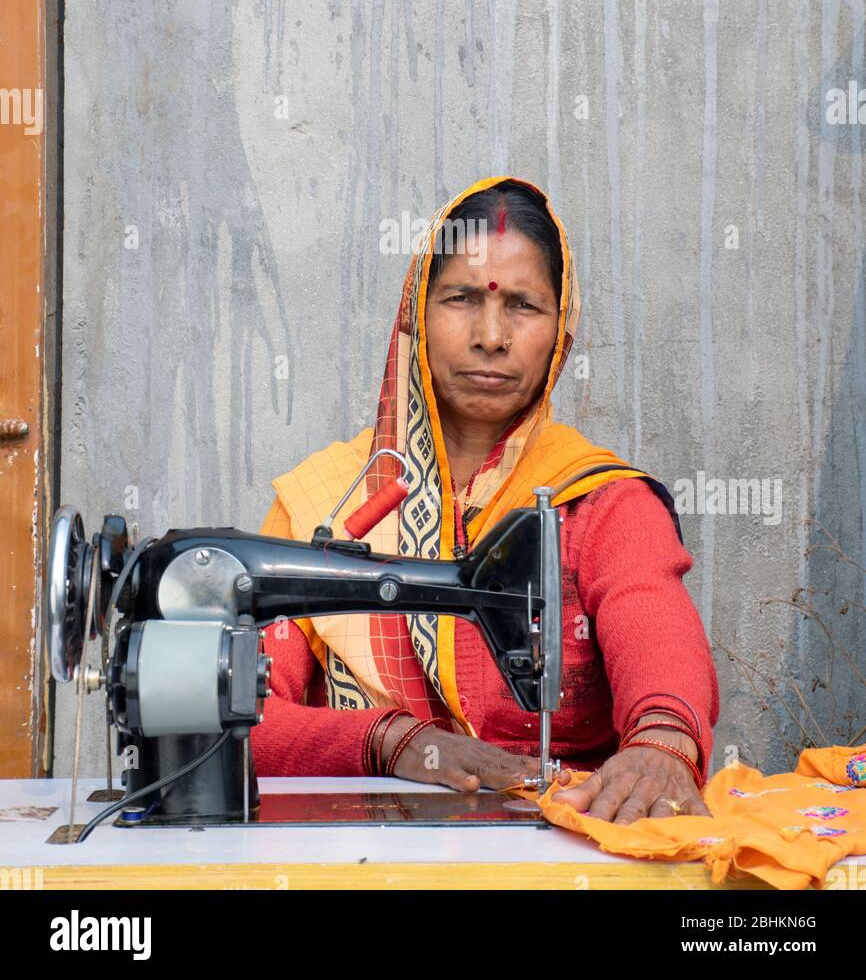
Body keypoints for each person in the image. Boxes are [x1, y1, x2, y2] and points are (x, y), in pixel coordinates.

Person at [251, 174, 719, 822]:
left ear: (561, 327)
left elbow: (656, 630)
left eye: (523, 305)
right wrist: (390, 742)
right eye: (462, 299)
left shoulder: (600, 502)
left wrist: (663, 742)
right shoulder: (326, 505)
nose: (491, 336)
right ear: (417, 311)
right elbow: (241, 719)